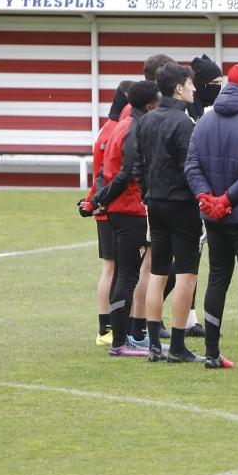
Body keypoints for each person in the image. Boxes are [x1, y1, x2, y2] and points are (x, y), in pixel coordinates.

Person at [184, 63, 238, 370]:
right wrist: (226, 199)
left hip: (213, 216)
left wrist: (206, 198)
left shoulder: (204, 121)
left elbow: (191, 166)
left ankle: (211, 352)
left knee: (217, 279)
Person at [134, 62, 203, 363]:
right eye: (190, 83)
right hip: (181, 204)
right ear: (179, 88)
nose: (195, 88)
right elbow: (189, 168)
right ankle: (176, 346)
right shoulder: (184, 123)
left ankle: (152, 346)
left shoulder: (146, 120)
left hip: (155, 203)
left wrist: (148, 194)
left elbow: (138, 165)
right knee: (187, 272)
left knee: (158, 271)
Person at [93, 80, 157, 357]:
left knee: (123, 274)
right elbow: (128, 172)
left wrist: (100, 199)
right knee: (127, 277)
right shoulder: (134, 127)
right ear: (149, 104)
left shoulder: (125, 122)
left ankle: (123, 338)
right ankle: (120, 342)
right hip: (129, 210)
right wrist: (101, 199)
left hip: (121, 209)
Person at [82, 81, 133, 346]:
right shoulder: (120, 131)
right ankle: (108, 328)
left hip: (104, 204)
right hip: (112, 206)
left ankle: (107, 327)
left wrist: (93, 201)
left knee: (112, 268)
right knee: (115, 269)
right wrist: (95, 201)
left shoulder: (107, 129)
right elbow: (107, 174)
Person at [187, 54, 223, 120]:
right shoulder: (185, 111)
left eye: (219, 83)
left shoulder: (217, 109)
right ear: (201, 82)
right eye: (215, 82)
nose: (218, 87)